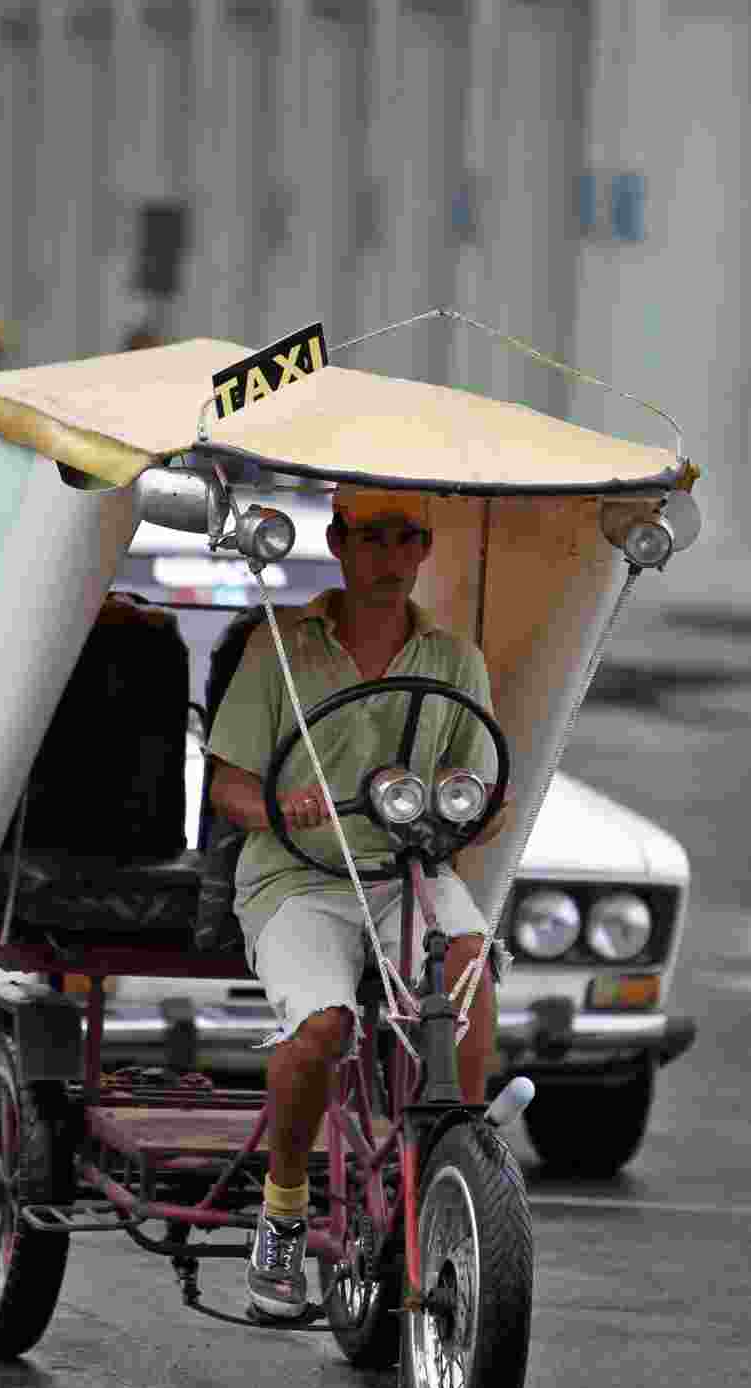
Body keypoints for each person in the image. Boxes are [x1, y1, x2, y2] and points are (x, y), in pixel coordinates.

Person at [206, 487, 513, 1320]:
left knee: (470, 961)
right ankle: (283, 1205)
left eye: (405, 537)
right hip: (297, 880)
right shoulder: (280, 649)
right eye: (370, 536)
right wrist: (276, 807)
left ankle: (462, 1157)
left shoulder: (455, 658)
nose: (387, 554)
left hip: (405, 873)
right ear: (338, 543)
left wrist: (465, 801)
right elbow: (228, 782)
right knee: (325, 1029)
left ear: (424, 550)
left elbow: (486, 788)